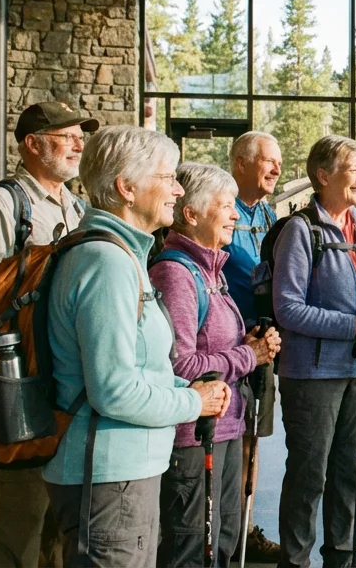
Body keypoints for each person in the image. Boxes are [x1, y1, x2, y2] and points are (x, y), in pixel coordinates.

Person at [44, 125, 232, 567]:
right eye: (167, 178)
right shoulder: (105, 263)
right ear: (126, 188)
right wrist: (193, 401)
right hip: (108, 476)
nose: (178, 189)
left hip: (123, 472)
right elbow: (113, 389)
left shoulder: (123, 255)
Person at [0, 101, 96, 568]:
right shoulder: (3, 204)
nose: (79, 142)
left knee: (60, 513)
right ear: (32, 144)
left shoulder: (77, 205)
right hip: (25, 381)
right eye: (67, 134)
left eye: (81, 135)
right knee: (20, 510)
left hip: (67, 378)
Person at [152, 162, 283, 567]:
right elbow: (180, 363)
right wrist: (249, 355)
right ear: (191, 214)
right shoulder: (176, 274)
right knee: (192, 545)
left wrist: (248, 343)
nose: (233, 215)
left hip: (223, 426)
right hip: (193, 435)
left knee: (223, 538)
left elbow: (212, 346)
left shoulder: (213, 271)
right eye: (225, 206)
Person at [272, 135, 356, 568]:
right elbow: (287, 308)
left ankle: (341, 557)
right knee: (309, 475)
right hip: (312, 375)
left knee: (349, 472)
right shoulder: (299, 231)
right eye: (353, 167)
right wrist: (352, 326)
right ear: (323, 176)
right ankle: (296, 561)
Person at [223, 131, 285, 562]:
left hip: (263, 345)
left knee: (253, 439)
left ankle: (243, 527)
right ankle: (216, 527)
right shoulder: (220, 208)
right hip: (223, 345)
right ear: (241, 163)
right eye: (268, 160)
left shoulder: (270, 215)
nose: (277, 169)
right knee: (219, 441)